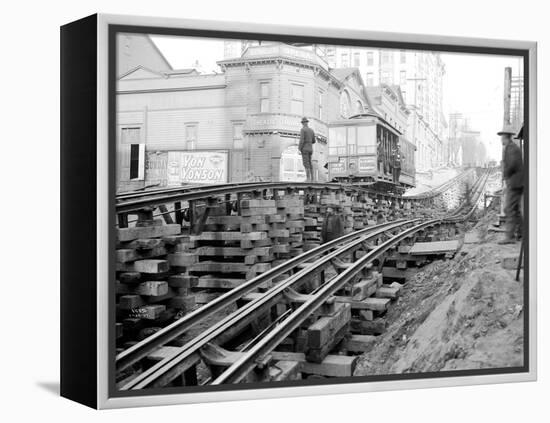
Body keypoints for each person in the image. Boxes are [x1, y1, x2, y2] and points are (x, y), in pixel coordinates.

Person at [498, 125, 524, 244]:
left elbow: (512, 164)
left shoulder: (512, 148)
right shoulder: (510, 148)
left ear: (506, 137)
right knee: (515, 209)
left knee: (509, 209)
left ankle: (510, 237)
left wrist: (505, 174)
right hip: (516, 182)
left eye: (502, 137)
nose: (501, 140)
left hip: (515, 183)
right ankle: (522, 233)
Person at [298, 117, 316, 182]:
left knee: (306, 163)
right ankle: (312, 179)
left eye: (302, 123)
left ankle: (308, 179)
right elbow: (314, 141)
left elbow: (301, 140)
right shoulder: (311, 130)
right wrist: (309, 141)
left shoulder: (303, 130)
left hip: (304, 149)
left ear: (303, 123)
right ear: (307, 123)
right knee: (310, 163)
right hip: (310, 149)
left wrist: (299, 148)